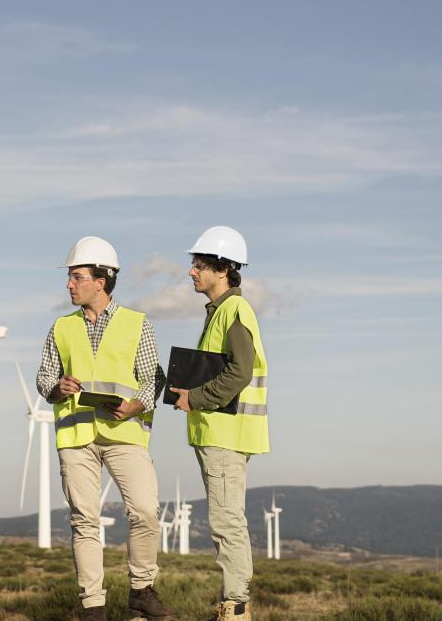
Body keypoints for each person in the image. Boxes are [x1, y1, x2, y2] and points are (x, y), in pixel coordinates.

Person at [37, 236, 175, 621]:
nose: (69, 284)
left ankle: (141, 589)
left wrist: (136, 405)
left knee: (146, 511)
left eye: (76, 276)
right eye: (69, 277)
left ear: (101, 280)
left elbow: (152, 378)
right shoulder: (60, 327)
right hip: (76, 436)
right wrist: (56, 385)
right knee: (84, 520)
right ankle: (92, 605)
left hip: (125, 432)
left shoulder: (137, 324)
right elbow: (44, 376)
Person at [168, 226, 269, 621]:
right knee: (224, 519)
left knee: (227, 520)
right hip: (216, 433)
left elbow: (240, 373)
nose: (191, 272)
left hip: (227, 434)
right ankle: (234, 603)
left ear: (223, 267)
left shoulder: (234, 311)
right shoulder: (219, 313)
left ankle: (236, 607)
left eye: (198, 265)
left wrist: (194, 398)